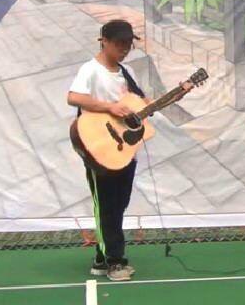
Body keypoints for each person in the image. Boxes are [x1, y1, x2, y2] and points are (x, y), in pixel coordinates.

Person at [67, 20, 180, 281]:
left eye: (128, 44)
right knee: (106, 205)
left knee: (119, 204)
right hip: (98, 147)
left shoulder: (125, 73)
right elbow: (74, 97)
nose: (125, 49)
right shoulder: (91, 70)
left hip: (123, 149)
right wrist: (109, 107)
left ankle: (102, 256)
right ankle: (115, 262)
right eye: (119, 44)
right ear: (103, 41)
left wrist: (173, 96)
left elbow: (141, 105)